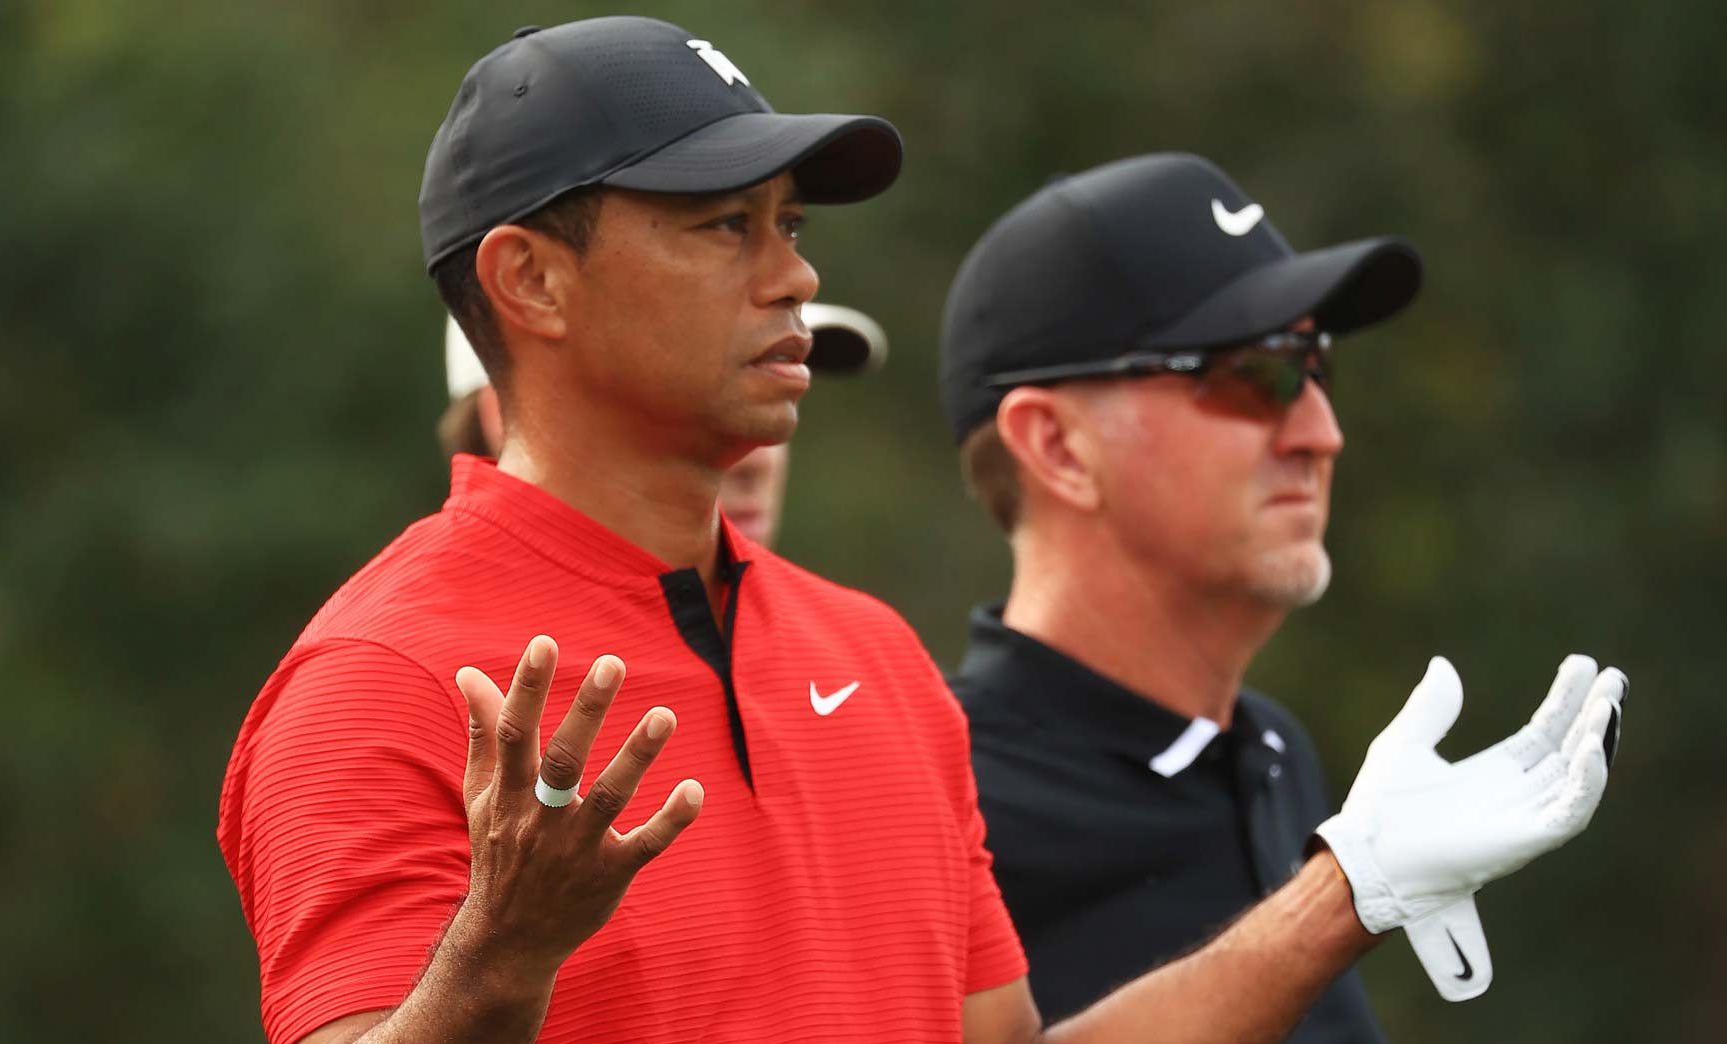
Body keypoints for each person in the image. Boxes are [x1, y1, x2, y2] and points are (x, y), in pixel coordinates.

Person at [216, 18, 1627, 1044]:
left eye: (789, 223)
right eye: (724, 227)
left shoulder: (873, 657)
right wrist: (494, 968)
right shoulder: (375, 682)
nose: (796, 274)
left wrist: (1348, 892)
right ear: (530, 279)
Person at [939, 152, 1422, 1036]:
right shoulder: (935, 793)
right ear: (1057, 448)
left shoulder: (1271, 750)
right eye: (1259, 371)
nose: (1323, 432)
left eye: (1316, 367)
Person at [436, 301, 888, 547]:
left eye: (780, 395)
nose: (759, 460)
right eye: (708, 403)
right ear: (514, 416)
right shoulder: (428, 648)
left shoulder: (863, 647)